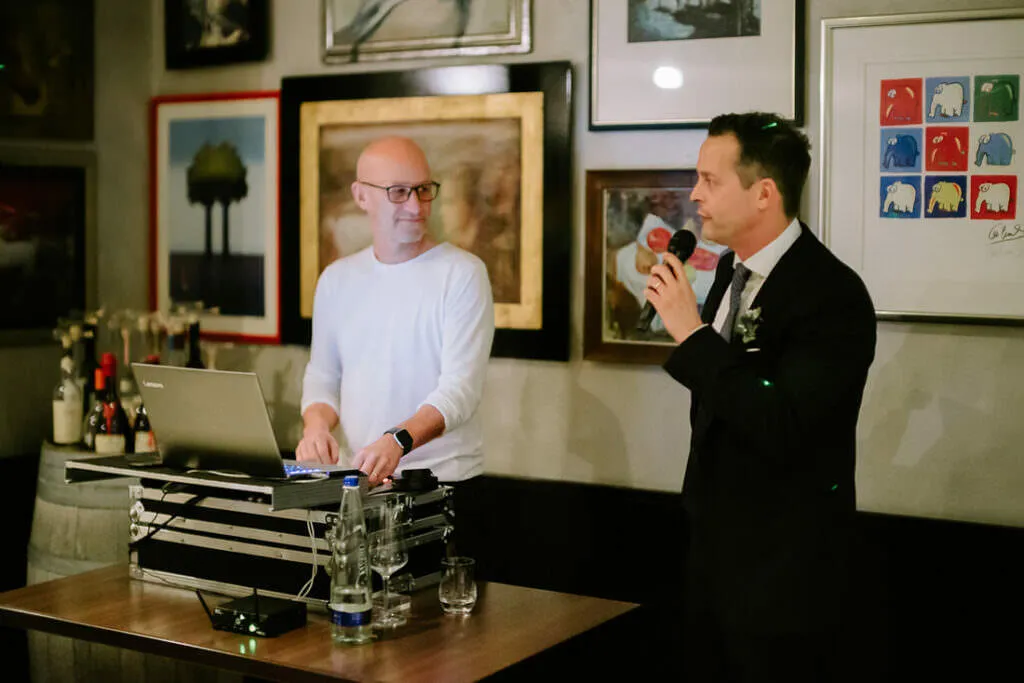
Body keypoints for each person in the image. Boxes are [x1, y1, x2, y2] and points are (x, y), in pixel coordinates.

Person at [644, 112, 877, 682]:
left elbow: (785, 422)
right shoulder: (731, 270)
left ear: (764, 193)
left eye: (710, 180)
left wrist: (692, 335)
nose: (694, 195)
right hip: (711, 552)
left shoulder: (832, 294)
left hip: (787, 570)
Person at [297, 136, 495, 506]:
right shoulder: (337, 279)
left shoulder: (463, 273)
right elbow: (323, 376)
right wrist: (316, 428)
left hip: (443, 485)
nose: (416, 206)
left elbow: (460, 391)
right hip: (358, 483)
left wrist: (397, 441)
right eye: (399, 192)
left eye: (423, 190)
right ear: (361, 196)